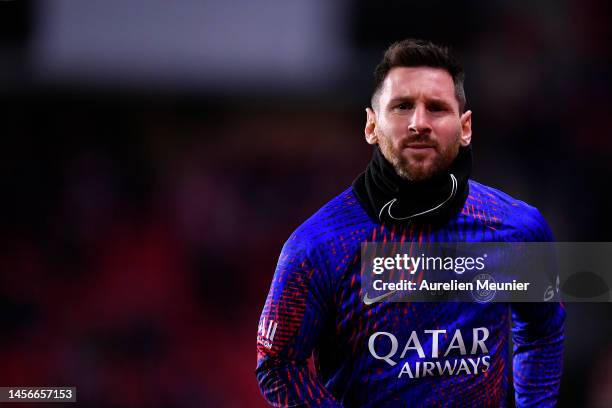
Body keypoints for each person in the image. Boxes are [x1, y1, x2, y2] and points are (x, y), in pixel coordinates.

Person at [256, 39, 564, 407]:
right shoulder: (317, 247)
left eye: (436, 108)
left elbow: (542, 330)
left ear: (465, 128)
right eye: (402, 107)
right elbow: (276, 366)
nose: (419, 123)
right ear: (371, 125)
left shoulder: (518, 230)